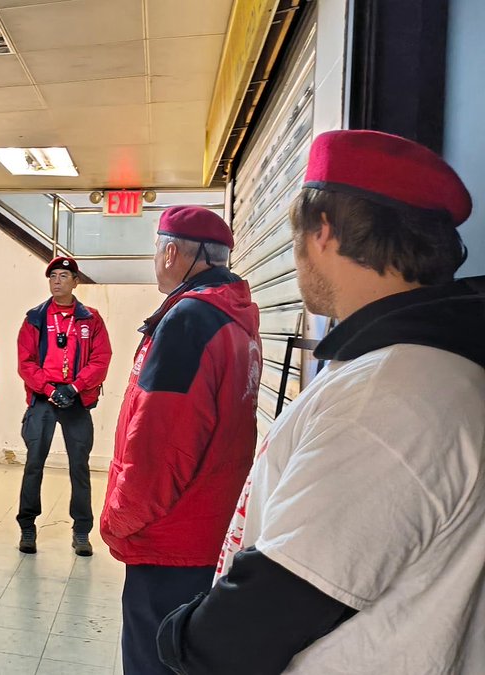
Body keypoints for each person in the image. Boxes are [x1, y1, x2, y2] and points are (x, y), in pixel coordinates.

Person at [158, 130, 485, 674]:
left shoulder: (392, 397)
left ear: (324, 232)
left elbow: (260, 618)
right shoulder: (420, 367)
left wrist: (178, 636)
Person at [98, 206, 261, 675]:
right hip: (207, 525)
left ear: (171, 251)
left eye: (155, 249)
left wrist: (119, 519)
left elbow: (159, 445)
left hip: (169, 535)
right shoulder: (237, 317)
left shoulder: (188, 322)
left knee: (153, 658)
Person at [16, 256, 112, 555]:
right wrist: (47, 388)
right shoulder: (35, 317)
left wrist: (73, 387)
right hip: (43, 398)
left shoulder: (91, 319)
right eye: (53, 276)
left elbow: (101, 359)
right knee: (34, 465)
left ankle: (82, 531)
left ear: (75, 282)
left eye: (63, 276)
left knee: (79, 468)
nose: (57, 281)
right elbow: (26, 362)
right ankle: (28, 526)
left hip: (76, 399)